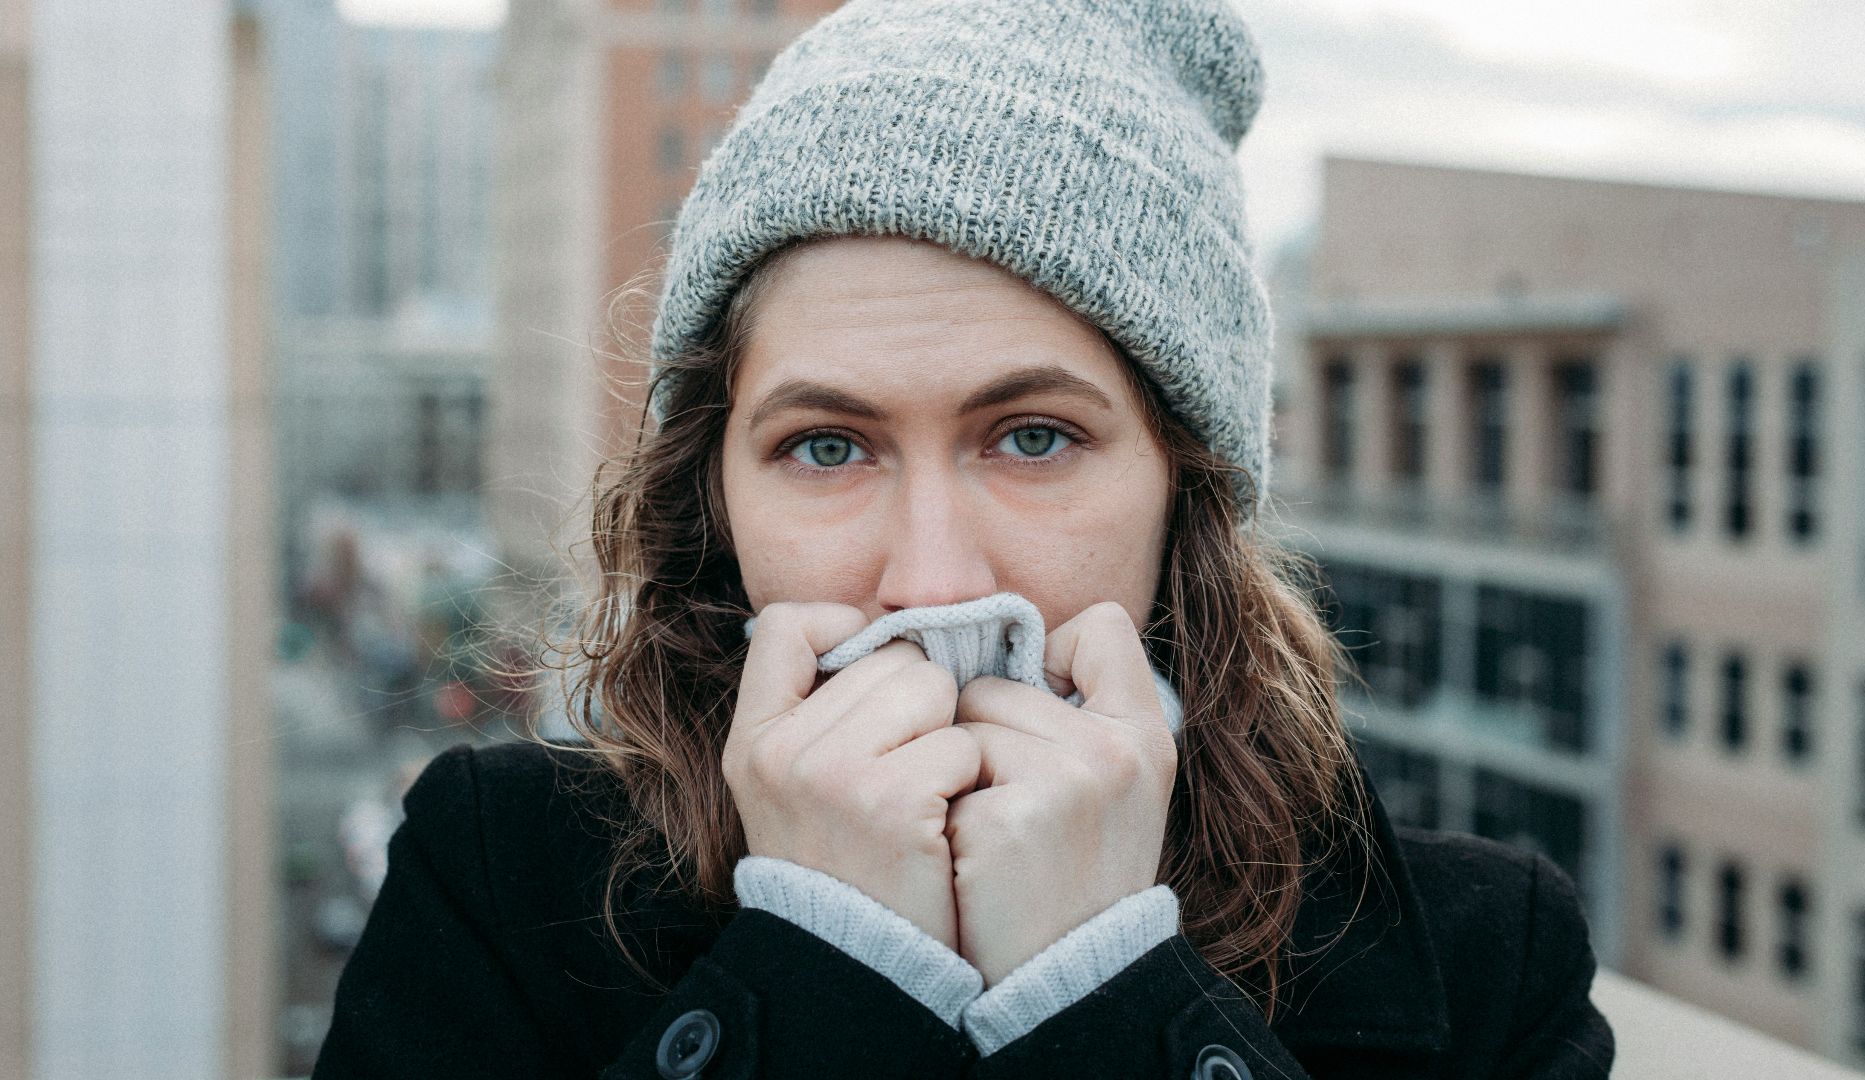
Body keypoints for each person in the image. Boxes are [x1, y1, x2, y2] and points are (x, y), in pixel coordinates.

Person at [313, 0, 1615, 1077]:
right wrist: (822, 966)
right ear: (711, 494)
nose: (933, 579)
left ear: (1187, 485)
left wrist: (1101, 992)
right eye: (828, 447)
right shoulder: (498, 880)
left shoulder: (1489, 959)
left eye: (1032, 438)